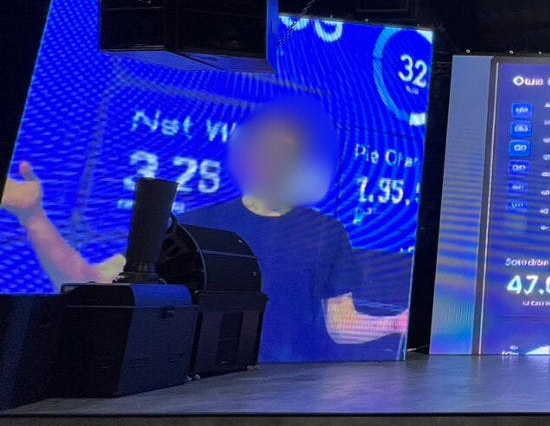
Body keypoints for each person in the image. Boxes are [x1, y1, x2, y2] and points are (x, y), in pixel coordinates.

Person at [1, 96, 407, 362]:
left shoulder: (326, 232)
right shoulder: (197, 223)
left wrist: (395, 324)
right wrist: (34, 219)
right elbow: (91, 280)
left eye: (285, 153)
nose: (272, 161)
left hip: (291, 389)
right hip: (201, 385)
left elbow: (340, 326)